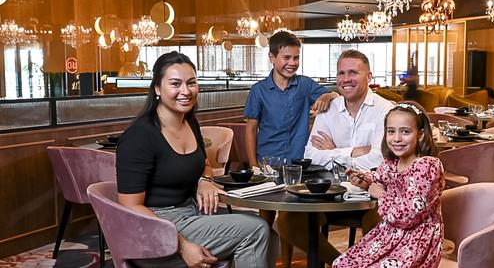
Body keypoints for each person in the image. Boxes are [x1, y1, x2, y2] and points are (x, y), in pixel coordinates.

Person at [116, 51, 278, 268]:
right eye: (175, 84)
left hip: (190, 215)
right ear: (157, 89)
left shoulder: (189, 123)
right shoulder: (139, 137)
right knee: (257, 230)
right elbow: (130, 208)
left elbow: (204, 166)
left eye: (191, 83)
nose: (185, 91)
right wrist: (182, 245)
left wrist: (205, 181)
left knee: (270, 235)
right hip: (154, 231)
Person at [277, 49, 392, 266]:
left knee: (380, 222)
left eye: (353, 72)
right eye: (341, 73)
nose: (346, 79)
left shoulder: (385, 110)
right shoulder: (329, 108)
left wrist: (335, 150)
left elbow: (378, 158)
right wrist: (353, 150)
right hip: (328, 191)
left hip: (371, 193)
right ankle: (341, 263)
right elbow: (310, 154)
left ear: (369, 76)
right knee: (287, 220)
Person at [333, 101, 445, 268]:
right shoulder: (392, 163)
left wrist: (381, 194)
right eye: (391, 132)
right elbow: (376, 176)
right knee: (341, 264)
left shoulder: (427, 166)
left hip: (416, 242)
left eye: (405, 132)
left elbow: (408, 217)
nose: (397, 138)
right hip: (389, 235)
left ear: (420, 135)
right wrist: (363, 180)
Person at [244, 30, 337, 167]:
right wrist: (253, 166)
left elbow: (337, 98)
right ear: (272, 57)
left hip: (300, 162)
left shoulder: (305, 85)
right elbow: (251, 130)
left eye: (296, 58)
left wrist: (328, 95)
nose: (292, 63)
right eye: (286, 58)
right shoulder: (258, 90)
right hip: (267, 163)